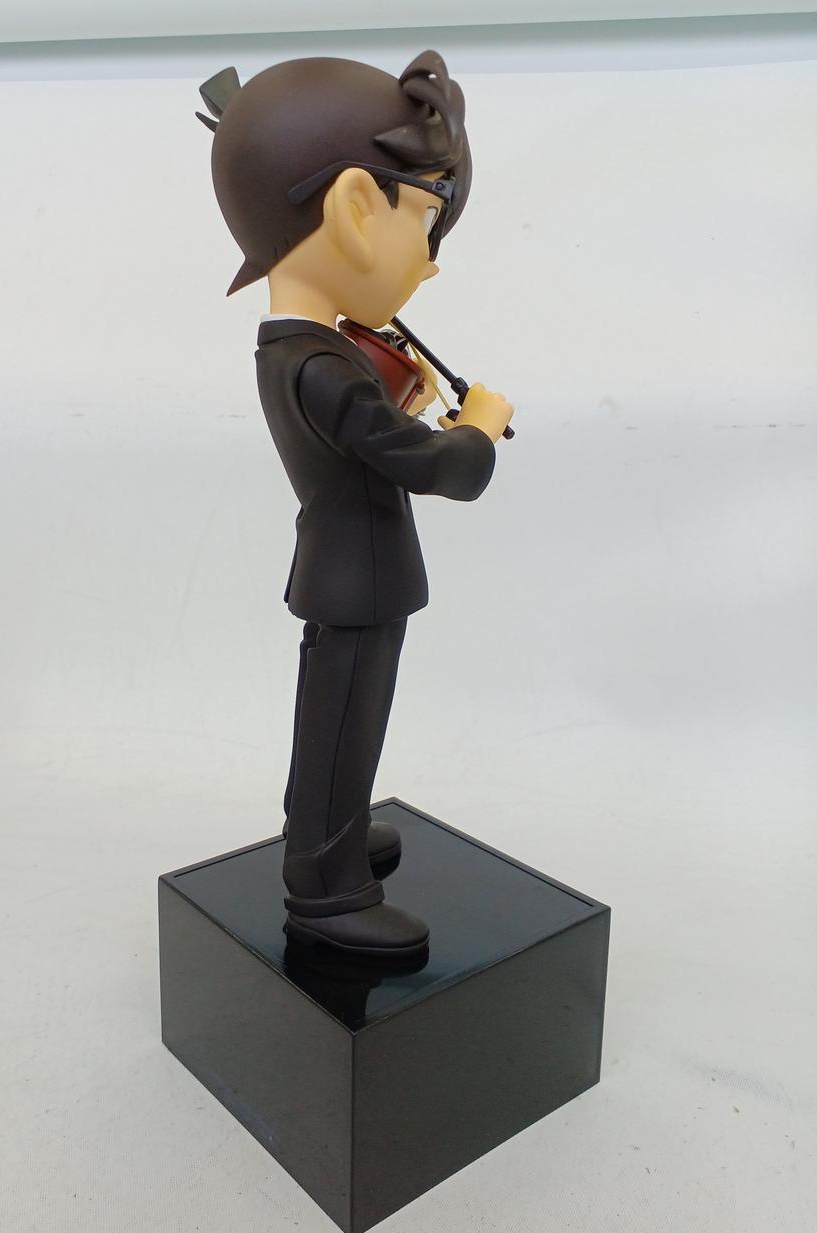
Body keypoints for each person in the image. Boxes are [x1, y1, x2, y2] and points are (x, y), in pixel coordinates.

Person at [197, 51, 514, 957]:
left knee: (340, 719)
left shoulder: (302, 354)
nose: (431, 266)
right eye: (427, 224)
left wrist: (399, 405)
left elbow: (370, 439)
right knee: (345, 719)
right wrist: (477, 429)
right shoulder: (324, 369)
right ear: (354, 209)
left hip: (346, 570)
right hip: (356, 576)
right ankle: (326, 886)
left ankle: (322, 827)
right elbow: (432, 466)